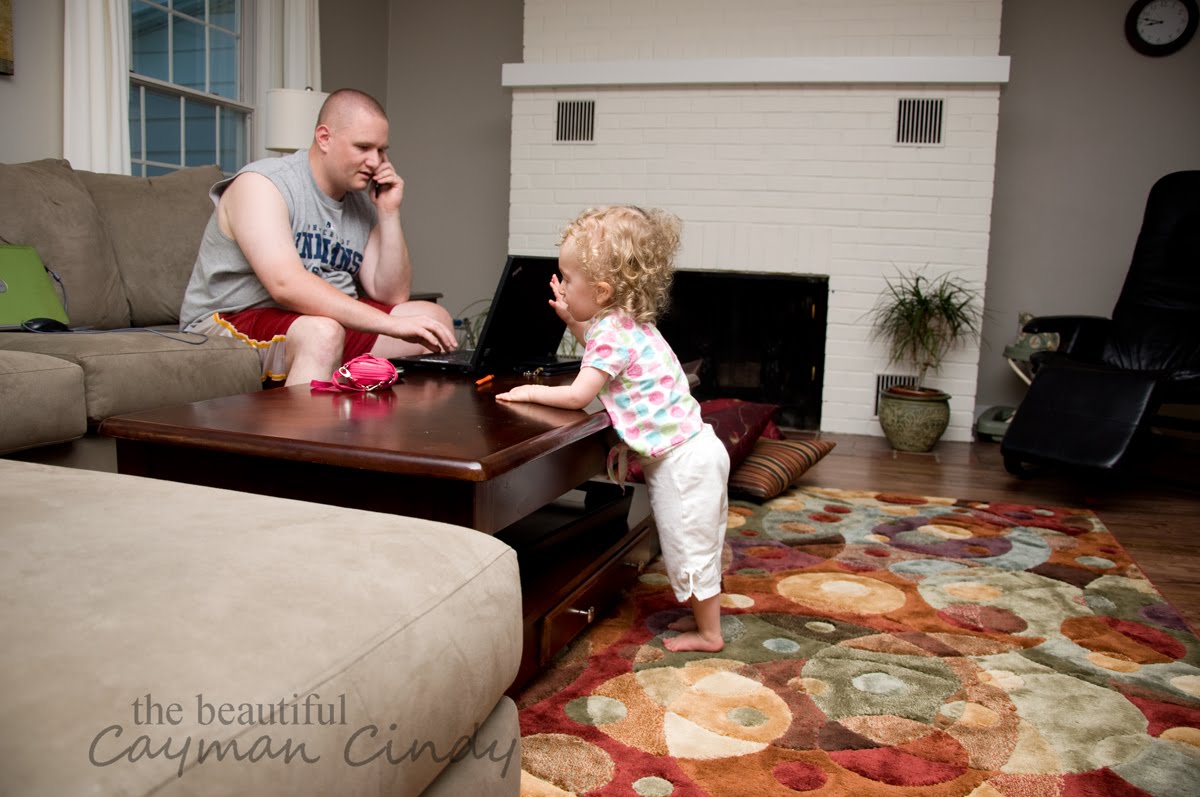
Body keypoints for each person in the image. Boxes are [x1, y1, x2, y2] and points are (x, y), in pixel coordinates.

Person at [496, 206, 730, 653]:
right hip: (698, 449)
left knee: (689, 545)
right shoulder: (626, 322)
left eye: (568, 279)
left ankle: (710, 634)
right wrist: (572, 319)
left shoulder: (611, 331)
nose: (562, 286)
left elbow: (577, 394)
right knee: (702, 539)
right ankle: (704, 616)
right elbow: (602, 349)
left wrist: (528, 391)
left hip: (682, 465)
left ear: (601, 291)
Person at [179, 88, 457, 386]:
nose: (375, 162)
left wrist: (388, 213)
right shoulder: (262, 184)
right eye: (363, 147)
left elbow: (391, 294)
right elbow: (286, 285)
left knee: (434, 321)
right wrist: (389, 324)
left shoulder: (360, 203)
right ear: (324, 138)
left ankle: (356, 407)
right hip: (232, 319)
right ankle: (304, 417)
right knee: (323, 334)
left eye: (381, 150)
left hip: (313, 320)